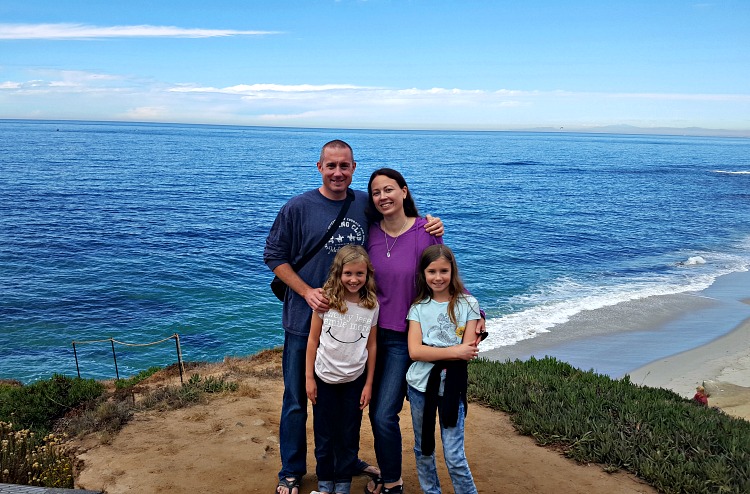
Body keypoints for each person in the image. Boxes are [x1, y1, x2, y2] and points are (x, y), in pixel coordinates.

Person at [264, 142, 443, 494]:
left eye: (344, 166)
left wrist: (429, 223)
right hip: (305, 323)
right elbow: (273, 256)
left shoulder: (364, 203)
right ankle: (292, 469)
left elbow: (398, 225)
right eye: (331, 165)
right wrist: (305, 291)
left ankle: (345, 462)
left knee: (348, 405)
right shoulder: (298, 207)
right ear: (319, 167)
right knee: (298, 399)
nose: (337, 172)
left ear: (353, 168)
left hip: (353, 328)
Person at [364, 168, 485, 494]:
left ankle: (395, 480)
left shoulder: (425, 231)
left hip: (412, 336)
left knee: (387, 412)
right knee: (380, 414)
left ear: (404, 191)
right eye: (376, 192)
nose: (383, 197)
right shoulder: (370, 233)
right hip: (378, 336)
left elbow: (442, 273)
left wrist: (476, 310)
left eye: (389, 189)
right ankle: (392, 480)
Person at [406, 244, 481, 494]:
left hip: (452, 387)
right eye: (431, 271)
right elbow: (415, 352)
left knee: (454, 455)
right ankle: (431, 491)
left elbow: (468, 351)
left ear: (453, 271)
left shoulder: (468, 303)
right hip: (420, 386)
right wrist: (454, 351)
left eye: (444, 271)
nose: (438, 277)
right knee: (424, 447)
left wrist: (444, 352)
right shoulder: (417, 307)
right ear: (423, 274)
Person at [305, 245, 379, 494]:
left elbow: (372, 344)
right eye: (348, 273)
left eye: (360, 274)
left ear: (367, 274)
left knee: (349, 434)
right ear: (338, 273)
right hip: (323, 378)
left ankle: (343, 484)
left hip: (355, 381)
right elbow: (313, 340)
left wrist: (369, 383)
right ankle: (325, 483)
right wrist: (308, 378)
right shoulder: (326, 301)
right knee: (324, 435)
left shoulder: (371, 305)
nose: (354, 279)